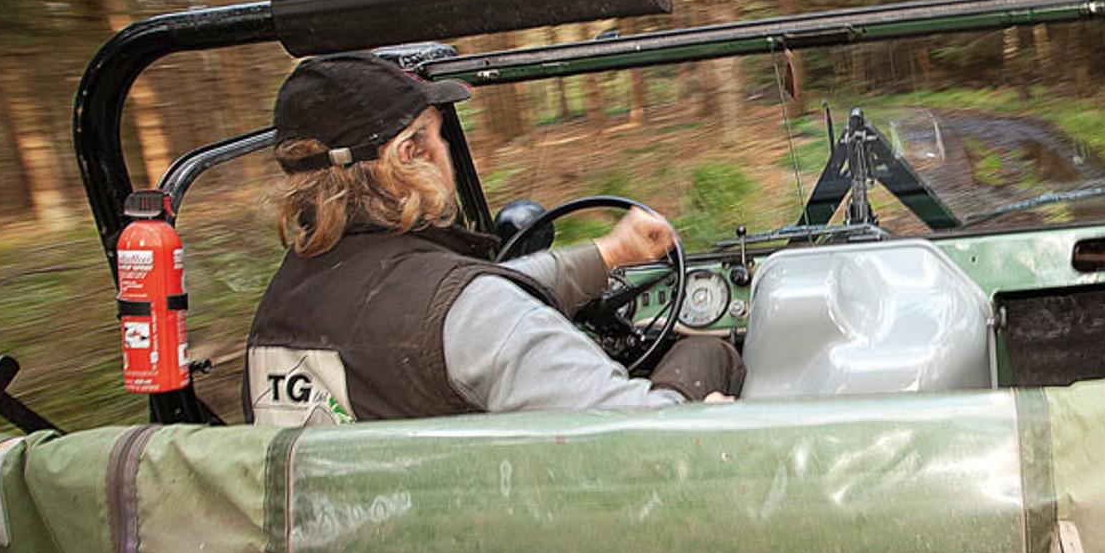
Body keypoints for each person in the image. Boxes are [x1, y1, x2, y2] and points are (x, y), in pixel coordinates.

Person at [243, 52, 741, 425]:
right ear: (409, 156)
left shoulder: (277, 313)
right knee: (705, 354)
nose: (446, 151)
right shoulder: (468, 312)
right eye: (438, 135)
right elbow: (639, 431)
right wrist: (703, 413)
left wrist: (609, 254)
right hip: (489, 544)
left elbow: (467, 302)